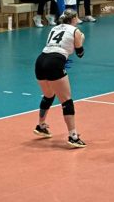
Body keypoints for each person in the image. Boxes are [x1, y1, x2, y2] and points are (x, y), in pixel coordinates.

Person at [33, 9, 86, 148]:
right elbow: (80, 53)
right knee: (66, 100)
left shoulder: (54, 28)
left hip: (41, 60)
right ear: (73, 19)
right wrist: (81, 39)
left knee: (48, 95)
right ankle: (73, 136)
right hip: (55, 62)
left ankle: (41, 125)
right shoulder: (76, 31)